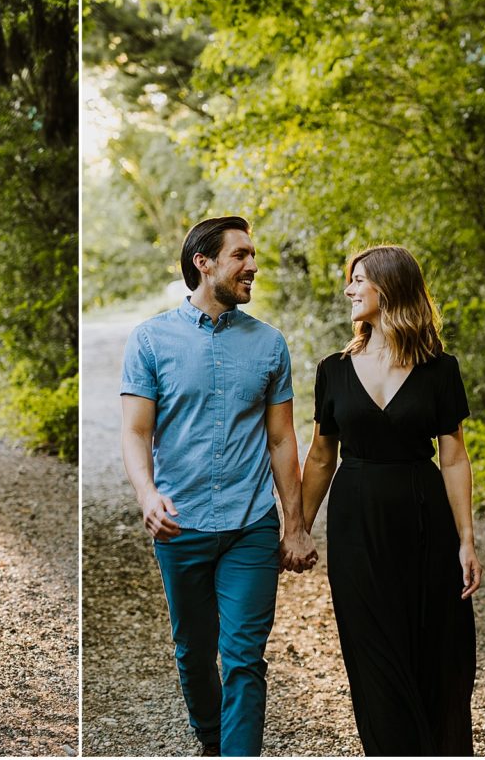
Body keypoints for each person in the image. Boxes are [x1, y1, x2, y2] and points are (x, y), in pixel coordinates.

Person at [120, 216, 317, 757]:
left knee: (245, 657)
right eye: (240, 255)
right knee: (193, 651)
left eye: (252, 255)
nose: (252, 265)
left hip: (250, 526)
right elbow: (136, 432)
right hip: (179, 525)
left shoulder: (270, 345)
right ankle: (211, 738)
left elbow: (282, 442)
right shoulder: (151, 340)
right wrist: (147, 494)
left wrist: (295, 526)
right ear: (202, 263)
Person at [301, 245, 482, 755]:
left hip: (426, 521)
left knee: (437, 651)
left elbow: (453, 459)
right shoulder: (332, 370)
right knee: (373, 651)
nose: (349, 289)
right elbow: (319, 458)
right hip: (357, 523)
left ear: (390, 286)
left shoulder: (440, 369)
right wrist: (298, 528)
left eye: (359, 280)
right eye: (350, 280)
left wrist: (466, 540)